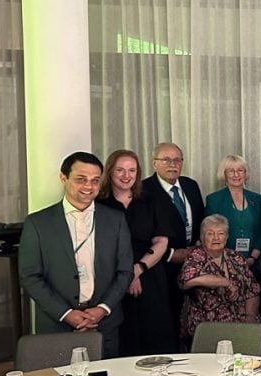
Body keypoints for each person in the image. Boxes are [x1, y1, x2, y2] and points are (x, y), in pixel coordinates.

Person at [18, 152, 133, 358]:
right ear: (64, 178)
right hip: (57, 323)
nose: (89, 186)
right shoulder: (38, 223)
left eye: (95, 181)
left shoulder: (115, 220)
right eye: (81, 179)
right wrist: (66, 314)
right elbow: (30, 276)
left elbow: (124, 271)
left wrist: (103, 308)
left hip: (105, 322)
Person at [96, 149, 178, 355]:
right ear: (109, 172)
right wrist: (126, 275)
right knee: (124, 338)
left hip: (150, 274)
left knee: (156, 335)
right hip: (112, 278)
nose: (126, 176)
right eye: (120, 170)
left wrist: (137, 270)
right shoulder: (98, 203)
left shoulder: (151, 199)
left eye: (132, 170)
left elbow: (161, 241)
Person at [142, 142, 205, 341]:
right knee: (165, 320)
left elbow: (199, 220)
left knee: (190, 318)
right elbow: (140, 234)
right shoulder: (143, 190)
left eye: (177, 160)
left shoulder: (190, 185)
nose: (172, 164)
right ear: (154, 163)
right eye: (166, 160)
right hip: (159, 266)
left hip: (190, 263)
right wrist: (170, 254)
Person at [178, 214, 261, 346]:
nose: (216, 238)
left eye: (220, 233)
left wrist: (250, 317)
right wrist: (225, 282)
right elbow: (187, 280)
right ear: (202, 237)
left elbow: (252, 290)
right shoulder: (196, 257)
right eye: (210, 234)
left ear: (227, 237)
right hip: (208, 330)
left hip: (241, 328)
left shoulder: (236, 257)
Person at [205, 155, 261, 279]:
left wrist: (253, 257)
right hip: (223, 263)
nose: (236, 174)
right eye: (231, 171)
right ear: (224, 174)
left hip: (253, 263)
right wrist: (227, 260)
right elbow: (210, 234)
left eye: (240, 170)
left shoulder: (257, 199)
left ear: (245, 173)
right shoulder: (214, 199)